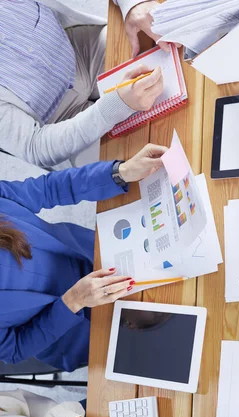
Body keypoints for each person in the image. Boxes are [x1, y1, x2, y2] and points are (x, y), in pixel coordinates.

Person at [0, 143, 168, 371]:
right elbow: (15, 349)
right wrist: (73, 301)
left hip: (103, 255)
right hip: (81, 329)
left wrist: (121, 172)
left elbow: (49, 189)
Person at [0, 0, 167, 169]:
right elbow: (35, 146)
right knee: (153, 160)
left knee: (167, 46)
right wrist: (113, 106)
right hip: (60, 123)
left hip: (82, 52)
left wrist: (131, 5)